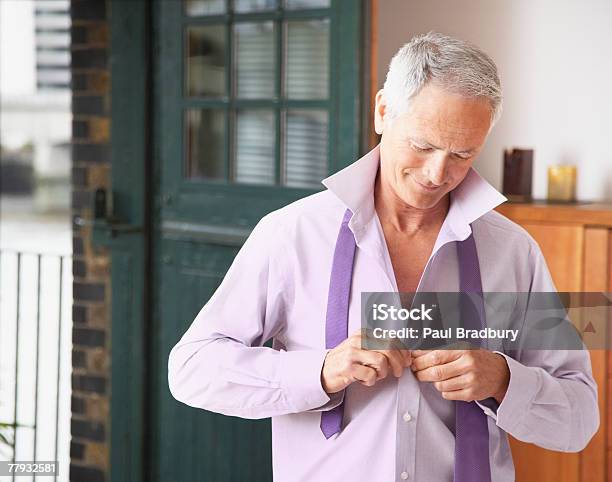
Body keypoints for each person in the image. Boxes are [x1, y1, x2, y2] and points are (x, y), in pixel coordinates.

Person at [168, 32, 599, 481]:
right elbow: (192, 370)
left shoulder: (513, 251)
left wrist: (503, 381)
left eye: (463, 154)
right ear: (382, 110)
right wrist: (319, 370)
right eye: (424, 145)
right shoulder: (293, 234)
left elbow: (580, 419)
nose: (437, 174)